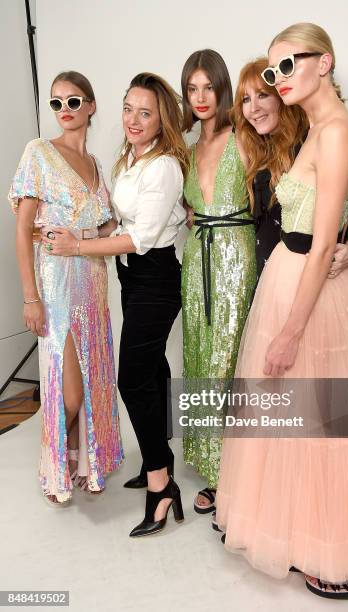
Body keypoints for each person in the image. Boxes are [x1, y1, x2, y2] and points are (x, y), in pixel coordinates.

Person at [216, 23, 348, 599]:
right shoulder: (323, 129)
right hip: (293, 285)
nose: (279, 79)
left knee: (328, 428)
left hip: (313, 299)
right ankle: (302, 537)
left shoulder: (339, 132)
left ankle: (345, 556)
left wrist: (291, 332)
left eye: (290, 64)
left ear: (325, 62)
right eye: (274, 71)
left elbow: (323, 242)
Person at [42, 72, 188, 537]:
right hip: (132, 278)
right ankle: (153, 458)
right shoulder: (129, 158)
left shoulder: (163, 166)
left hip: (155, 278)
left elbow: (139, 238)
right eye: (129, 108)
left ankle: (161, 483)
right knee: (153, 370)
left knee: (133, 378)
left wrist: (77, 249)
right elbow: (115, 222)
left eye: (146, 113)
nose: (134, 119)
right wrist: (81, 236)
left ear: (162, 119)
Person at [9, 71, 124, 506]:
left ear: (91, 106)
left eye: (73, 102)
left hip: (94, 283)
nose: (64, 111)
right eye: (56, 103)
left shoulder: (96, 165)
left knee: (92, 377)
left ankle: (79, 460)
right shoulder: (38, 153)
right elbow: (23, 233)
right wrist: (30, 296)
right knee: (68, 387)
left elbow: (107, 224)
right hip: (56, 286)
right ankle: (52, 466)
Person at [180, 49, 257, 513]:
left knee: (232, 362)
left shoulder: (244, 137)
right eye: (192, 88)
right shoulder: (186, 149)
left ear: (223, 87)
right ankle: (213, 470)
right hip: (196, 264)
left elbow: (282, 193)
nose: (201, 96)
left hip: (236, 258)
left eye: (209, 86)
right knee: (199, 358)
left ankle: (239, 473)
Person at [233, 57, 348, 283]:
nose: (253, 109)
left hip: (303, 276)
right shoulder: (255, 149)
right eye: (245, 100)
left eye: (262, 95)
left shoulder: (309, 144)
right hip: (263, 277)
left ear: (282, 96)